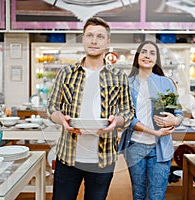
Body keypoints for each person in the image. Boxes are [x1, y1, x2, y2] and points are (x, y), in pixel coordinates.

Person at [46, 17, 134, 200]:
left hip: (103, 160)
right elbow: (52, 107)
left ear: (108, 42)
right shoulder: (66, 73)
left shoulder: (119, 76)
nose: (94, 41)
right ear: (83, 39)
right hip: (68, 157)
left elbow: (128, 111)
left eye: (100, 36)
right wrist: (62, 119)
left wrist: (116, 122)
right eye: (90, 35)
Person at [124, 41, 183, 200]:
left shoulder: (165, 82)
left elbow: (178, 113)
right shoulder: (127, 84)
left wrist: (174, 120)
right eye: (144, 52)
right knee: (138, 195)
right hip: (135, 147)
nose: (147, 56)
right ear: (137, 56)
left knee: (157, 196)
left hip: (160, 149)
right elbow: (126, 118)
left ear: (156, 59)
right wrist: (153, 131)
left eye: (152, 53)